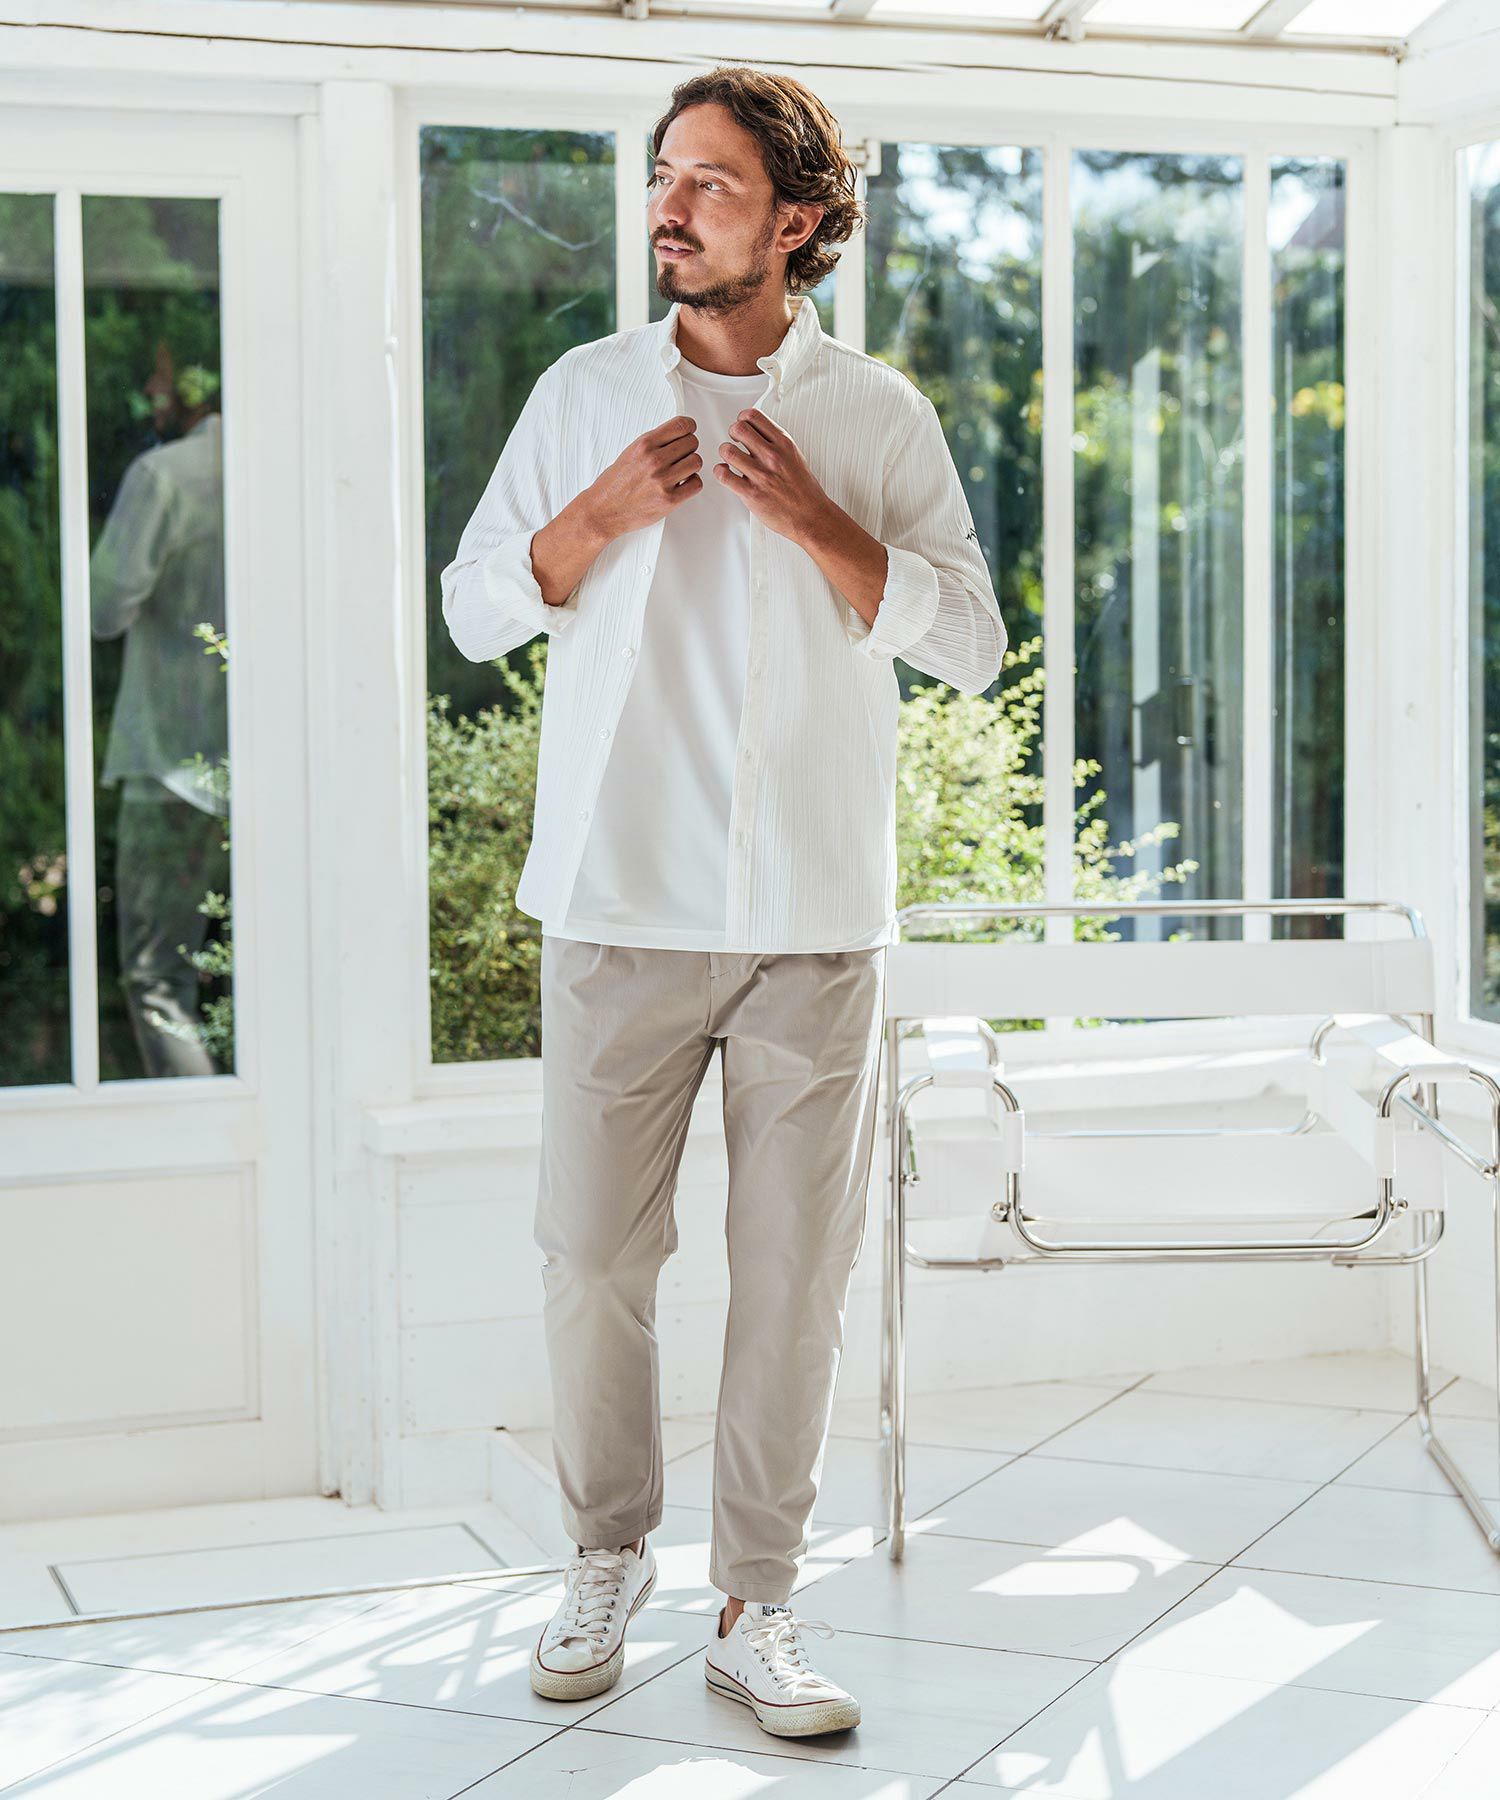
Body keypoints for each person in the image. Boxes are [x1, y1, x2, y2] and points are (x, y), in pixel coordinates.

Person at [440, 63, 1005, 1739]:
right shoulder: (584, 392)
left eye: (711, 184)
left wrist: (823, 524)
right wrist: (599, 517)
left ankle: (760, 1607)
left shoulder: (877, 416)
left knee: (793, 1284)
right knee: (592, 1261)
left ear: (800, 220)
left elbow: (974, 645)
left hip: (814, 920)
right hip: (618, 904)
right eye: (663, 176)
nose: (669, 209)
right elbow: (475, 607)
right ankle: (605, 1556)